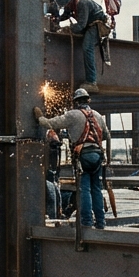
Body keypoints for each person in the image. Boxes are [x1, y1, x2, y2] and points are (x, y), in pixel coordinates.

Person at [34, 88, 111, 229]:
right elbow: (107, 135)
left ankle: (86, 222)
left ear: (76, 102)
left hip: (83, 156)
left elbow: (52, 124)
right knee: (96, 189)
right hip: (98, 156)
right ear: (88, 100)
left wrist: (40, 118)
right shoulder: (98, 115)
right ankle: (101, 222)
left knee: (84, 189)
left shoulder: (73, 115)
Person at [52, 0, 112, 87]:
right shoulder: (71, 3)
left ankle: (91, 81)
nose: (66, 7)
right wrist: (56, 20)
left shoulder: (82, 2)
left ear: (69, 1)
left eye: (66, 5)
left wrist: (67, 29)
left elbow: (81, 25)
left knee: (87, 46)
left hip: (97, 25)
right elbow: (66, 14)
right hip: (88, 25)